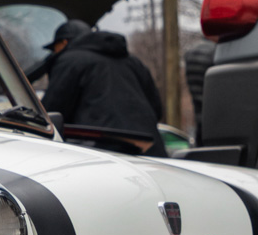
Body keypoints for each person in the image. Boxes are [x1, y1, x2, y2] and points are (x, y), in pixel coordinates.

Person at [39, 19, 167, 156]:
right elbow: (157, 110)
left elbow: (51, 112)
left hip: (102, 153)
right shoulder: (134, 62)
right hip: (151, 151)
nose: (54, 53)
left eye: (54, 48)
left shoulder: (70, 60)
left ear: (64, 42)